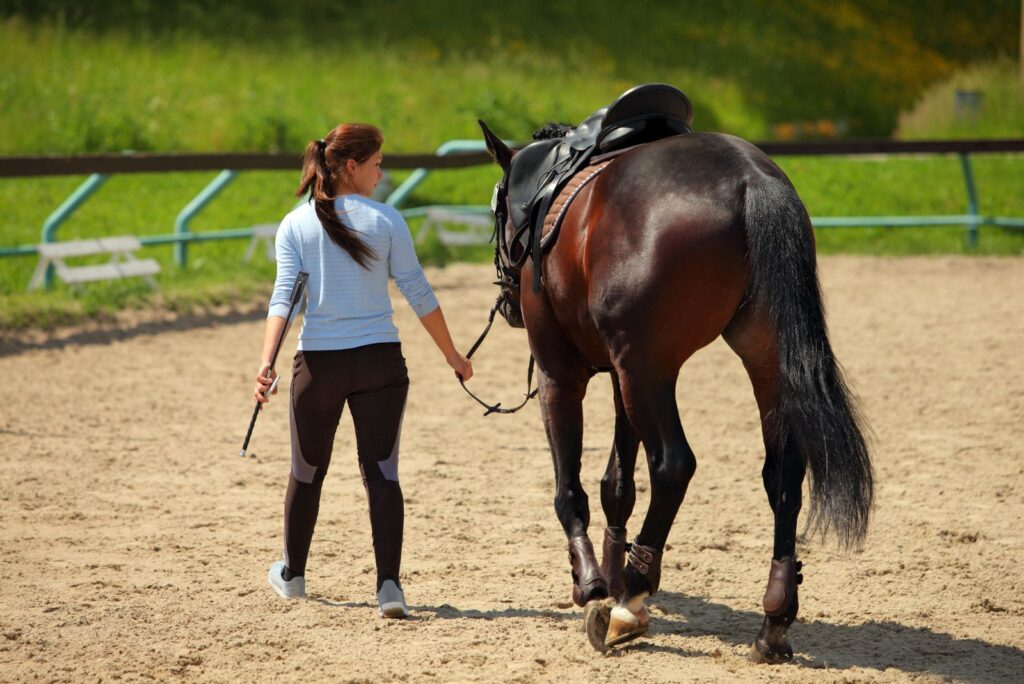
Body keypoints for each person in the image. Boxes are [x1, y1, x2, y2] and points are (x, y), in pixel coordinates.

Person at [254, 123, 473, 618]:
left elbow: (284, 300)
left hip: (320, 367)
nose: (382, 172)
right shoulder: (388, 220)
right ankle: (389, 588)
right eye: (377, 163)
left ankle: (293, 576)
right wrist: (452, 356)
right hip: (380, 362)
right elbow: (418, 293)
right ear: (351, 167)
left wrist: (266, 363)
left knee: (306, 471)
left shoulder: (295, 224)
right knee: (383, 473)